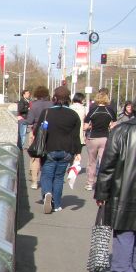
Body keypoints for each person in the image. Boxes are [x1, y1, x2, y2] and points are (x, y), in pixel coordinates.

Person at [94, 112, 136, 272]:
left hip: (123, 193)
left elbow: (108, 165)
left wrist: (102, 193)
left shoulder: (120, 131)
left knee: (124, 233)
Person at [38, 86, 82, 214]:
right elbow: (76, 136)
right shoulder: (73, 115)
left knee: (46, 175)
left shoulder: (46, 113)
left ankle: (47, 193)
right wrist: (78, 152)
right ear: (68, 99)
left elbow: (37, 131)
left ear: (54, 98)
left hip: (49, 149)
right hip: (67, 151)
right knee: (58, 177)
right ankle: (57, 204)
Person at [84, 89, 116, 191]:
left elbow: (85, 126)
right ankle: (103, 184)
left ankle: (90, 183)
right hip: (105, 138)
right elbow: (114, 125)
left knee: (91, 162)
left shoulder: (93, 110)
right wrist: (108, 126)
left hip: (93, 137)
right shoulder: (109, 110)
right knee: (103, 162)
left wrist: (91, 126)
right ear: (107, 99)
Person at [25, 85, 53, 189]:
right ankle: (46, 180)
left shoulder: (34, 105)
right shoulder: (52, 105)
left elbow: (29, 121)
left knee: (35, 158)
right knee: (47, 158)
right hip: (50, 133)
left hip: (36, 132)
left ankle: (34, 182)